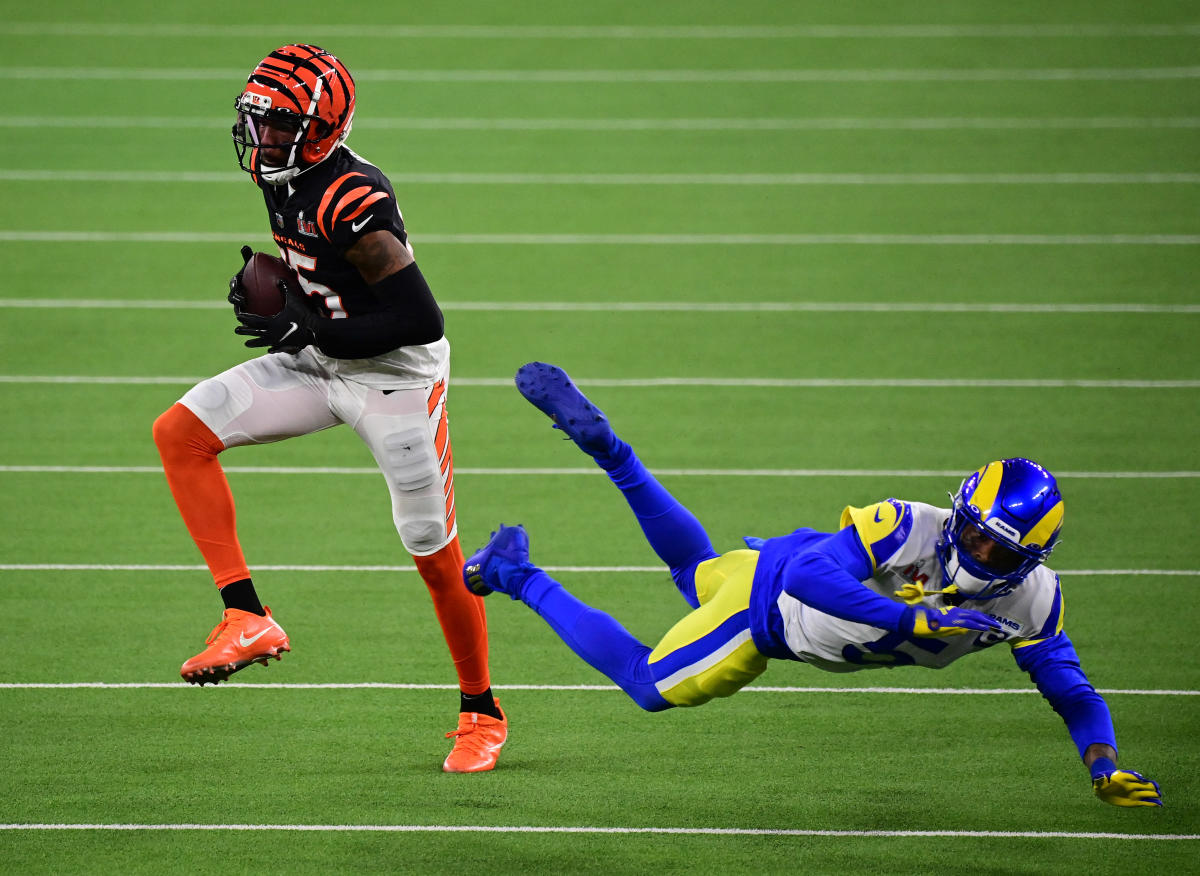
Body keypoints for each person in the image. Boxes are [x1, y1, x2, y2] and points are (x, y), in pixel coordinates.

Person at [463, 362, 1162, 805]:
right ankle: (513, 572)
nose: (978, 549)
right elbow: (807, 576)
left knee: (692, 572)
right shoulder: (908, 525)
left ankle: (611, 451)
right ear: (959, 511)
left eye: (996, 548)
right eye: (974, 530)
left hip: (766, 577)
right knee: (649, 687)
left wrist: (1102, 763)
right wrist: (915, 622)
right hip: (768, 614)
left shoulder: (1032, 600)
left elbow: (1069, 688)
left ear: (1030, 562)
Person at [152, 44, 506, 773]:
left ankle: (481, 711)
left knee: (435, 557)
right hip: (323, 359)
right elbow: (324, 276)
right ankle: (247, 616)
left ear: (319, 129)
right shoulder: (283, 177)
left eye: (279, 124)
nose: (262, 137)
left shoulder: (353, 197)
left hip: (395, 380)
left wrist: (306, 326)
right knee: (181, 432)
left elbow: (420, 320)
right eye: (257, 120)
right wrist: (286, 295)